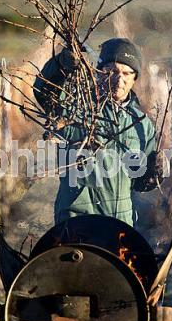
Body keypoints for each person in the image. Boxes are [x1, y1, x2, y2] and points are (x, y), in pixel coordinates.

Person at [33, 38, 163, 227]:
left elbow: (139, 180)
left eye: (127, 73)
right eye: (112, 71)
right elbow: (45, 92)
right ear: (99, 72)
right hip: (77, 218)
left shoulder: (142, 124)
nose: (120, 79)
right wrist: (61, 65)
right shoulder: (78, 109)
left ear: (135, 78)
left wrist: (153, 175)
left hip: (120, 223)